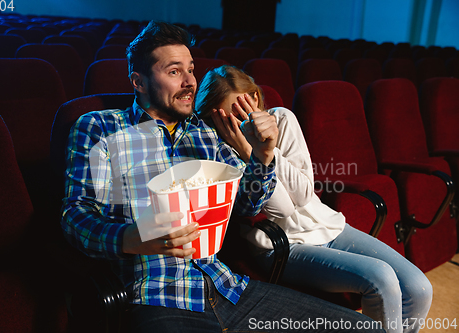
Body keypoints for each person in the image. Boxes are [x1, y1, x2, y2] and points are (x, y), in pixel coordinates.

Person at [61, 21, 384, 332]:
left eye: (191, 69)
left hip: (227, 286)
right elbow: (75, 217)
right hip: (157, 294)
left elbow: (247, 203)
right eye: (174, 71)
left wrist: (262, 155)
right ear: (139, 81)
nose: (190, 81)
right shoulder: (100, 128)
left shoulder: (205, 134)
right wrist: (131, 237)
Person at [195, 65, 433, 333]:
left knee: (419, 288)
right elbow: (284, 209)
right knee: (382, 279)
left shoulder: (282, 119)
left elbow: (305, 193)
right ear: (216, 119)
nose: (245, 122)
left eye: (247, 110)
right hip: (279, 245)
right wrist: (254, 152)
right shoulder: (220, 149)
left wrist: (269, 148)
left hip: (325, 224)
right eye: (234, 117)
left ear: (257, 100)